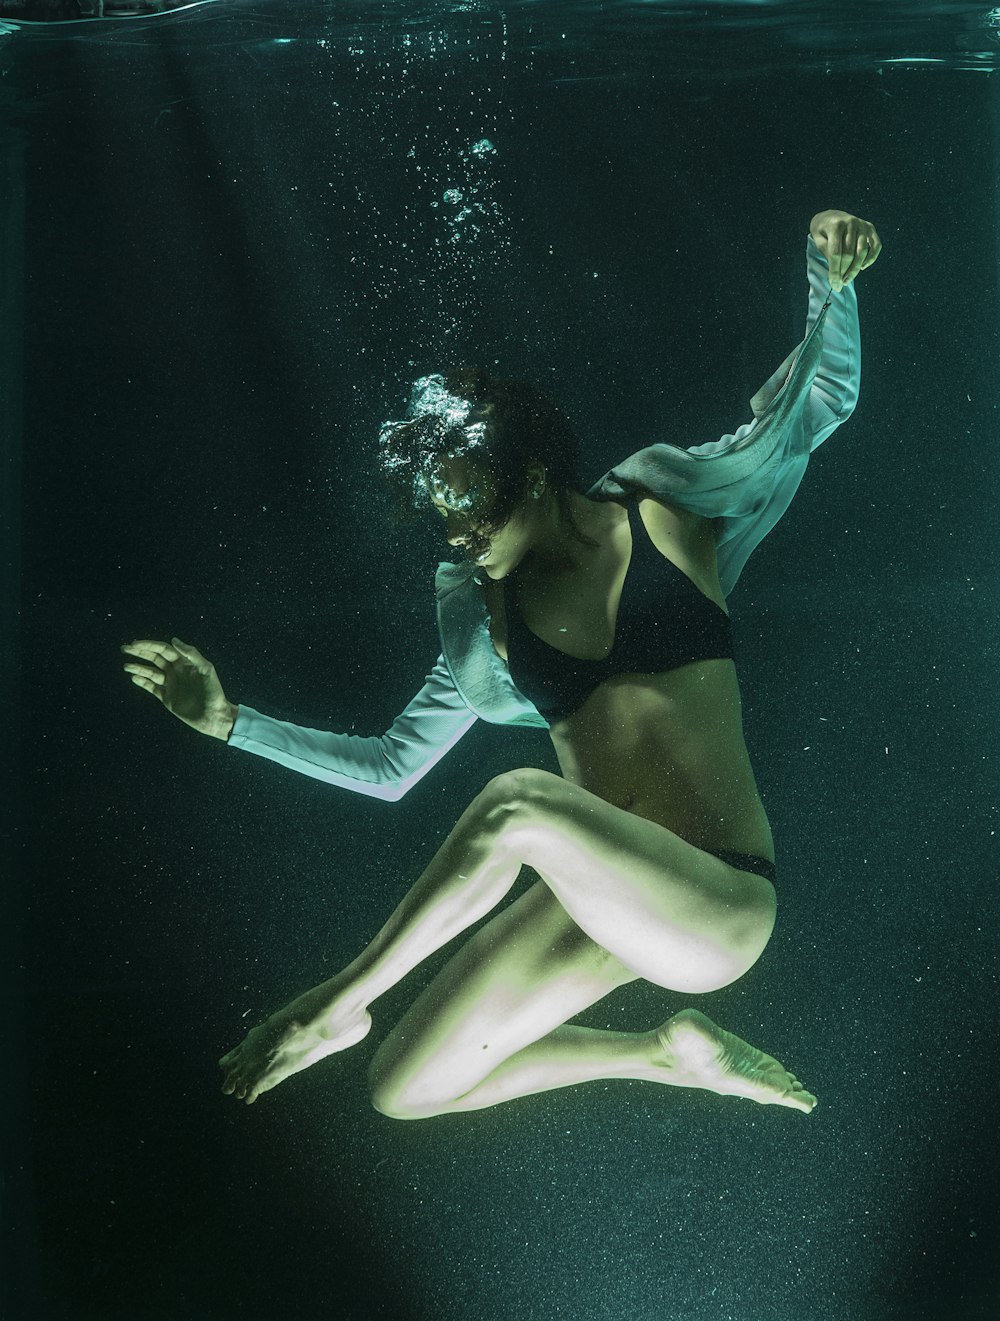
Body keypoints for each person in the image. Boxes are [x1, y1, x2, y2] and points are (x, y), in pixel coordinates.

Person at [122, 209, 880, 1117]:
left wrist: (826, 280)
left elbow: (814, 405)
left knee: (518, 802)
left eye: (468, 505)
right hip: (603, 911)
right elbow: (394, 765)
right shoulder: (488, 623)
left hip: (717, 905)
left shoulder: (667, 512)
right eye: (441, 519)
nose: (457, 534)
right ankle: (662, 1053)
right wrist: (231, 721)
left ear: (526, 472)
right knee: (404, 1088)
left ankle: (337, 1002)